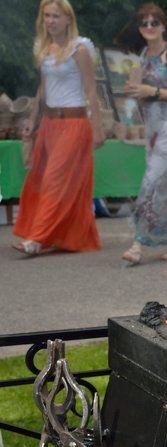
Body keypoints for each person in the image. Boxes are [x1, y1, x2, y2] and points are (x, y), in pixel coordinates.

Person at [12, 0, 104, 257]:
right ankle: (60, 235)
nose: (50, 20)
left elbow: (90, 90)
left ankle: (37, 238)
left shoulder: (80, 49)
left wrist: (97, 127)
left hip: (74, 123)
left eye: (55, 16)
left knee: (55, 180)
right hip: (50, 124)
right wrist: (32, 120)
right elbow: (42, 89)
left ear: (68, 19)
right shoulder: (43, 48)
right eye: (46, 16)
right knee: (41, 179)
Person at [114, 3, 167, 265]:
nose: (149, 27)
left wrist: (153, 92)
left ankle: (138, 244)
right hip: (153, 127)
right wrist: (136, 93)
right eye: (144, 23)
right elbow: (141, 92)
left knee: (151, 182)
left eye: (154, 22)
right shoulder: (144, 54)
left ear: (163, 25)